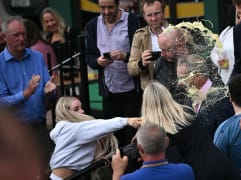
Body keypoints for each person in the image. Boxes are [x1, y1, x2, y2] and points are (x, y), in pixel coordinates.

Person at [141, 81, 241, 180]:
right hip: (222, 165)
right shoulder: (186, 113)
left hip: (200, 174)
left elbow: (176, 167)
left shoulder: (162, 132)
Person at [0, 16, 56, 178]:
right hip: (15, 135)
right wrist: (25, 94)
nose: (21, 39)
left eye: (23, 34)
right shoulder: (1, 64)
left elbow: (48, 85)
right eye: (16, 35)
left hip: (39, 128)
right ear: (4, 37)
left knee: (46, 172)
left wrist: (50, 90)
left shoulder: (36, 56)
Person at [85, 0, 145, 147]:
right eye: (102, 7)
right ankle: (117, 167)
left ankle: (133, 167)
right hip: (109, 92)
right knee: (114, 139)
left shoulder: (134, 21)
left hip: (132, 91)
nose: (106, 12)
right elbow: (88, 56)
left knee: (133, 136)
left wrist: (125, 56)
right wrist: (98, 62)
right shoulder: (92, 25)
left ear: (118, 4)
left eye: (110, 7)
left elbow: (144, 53)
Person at [49, 96, 142, 180]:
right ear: (66, 112)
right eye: (76, 109)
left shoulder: (65, 130)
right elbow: (101, 125)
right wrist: (127, 121)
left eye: (81, 108)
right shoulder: (73, 130)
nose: (82, 111)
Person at [177, 54, 234, 138]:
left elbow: (225, 137)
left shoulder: (221, 99)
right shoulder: (188, 97)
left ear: (197, 76)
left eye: (183, 78)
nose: (180, 83)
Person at [111, 123, 195, 180]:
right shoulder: (186, 171)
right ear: (166, 142)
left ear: (140, 148)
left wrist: (117, 171)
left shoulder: (129, 178)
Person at [127, 0, 167, 90]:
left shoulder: (176, 31)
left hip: (174, 90)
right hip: (151, 92)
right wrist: (142, 63)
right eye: (149, 15)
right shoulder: (139, 36)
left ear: (163, 12)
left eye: (157, 13)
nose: (153, 18)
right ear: (144, 16)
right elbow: (131, 68)